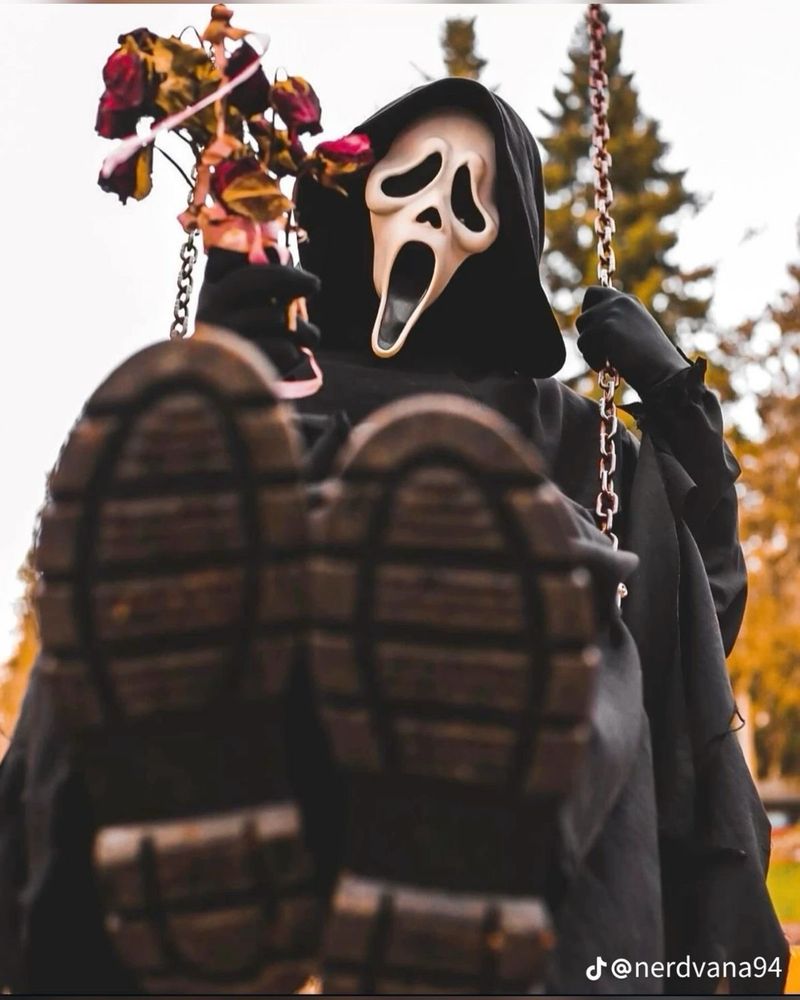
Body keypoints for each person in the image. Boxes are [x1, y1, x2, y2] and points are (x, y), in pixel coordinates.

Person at [0, 78, 787, 994]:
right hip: (279, 703)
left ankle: (440, 845)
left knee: (542, 564)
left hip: (528, 806)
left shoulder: (579, 440)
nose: (431, 219)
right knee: (185, 534)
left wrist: (680, 416)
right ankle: (232, 834)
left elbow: (685, 641)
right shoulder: (277, 395)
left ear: (506, 239)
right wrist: (213, 388)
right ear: (357, 198)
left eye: (470, 203)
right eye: (407, 181)